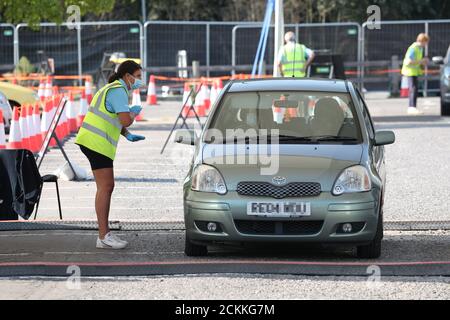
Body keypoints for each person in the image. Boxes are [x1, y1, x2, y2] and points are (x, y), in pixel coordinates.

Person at [75, 60, 146, 249]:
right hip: (96, 143)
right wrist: (133, 115)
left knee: (105, 187)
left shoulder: (113, 89)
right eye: (138, 76)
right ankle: (103, 236)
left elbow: (114, 120)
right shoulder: (118, 91)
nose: (140, 80)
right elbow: (125, 119)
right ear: (127, 76)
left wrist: (127, 134)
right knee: (106, 187)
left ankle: (104, 234)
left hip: (93, 142)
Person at [401, 33, 430, 115]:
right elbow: (409, 61)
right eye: (425, 42)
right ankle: (411, 107)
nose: (426, 44)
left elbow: (417, 61)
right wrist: (421, 61)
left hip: (414, 71)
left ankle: (413, 107)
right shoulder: (413, 48)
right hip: (409, 71)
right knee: (413, 89)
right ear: (422, 41)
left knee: (414, 89)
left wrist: (423, 61)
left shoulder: (419, 48)